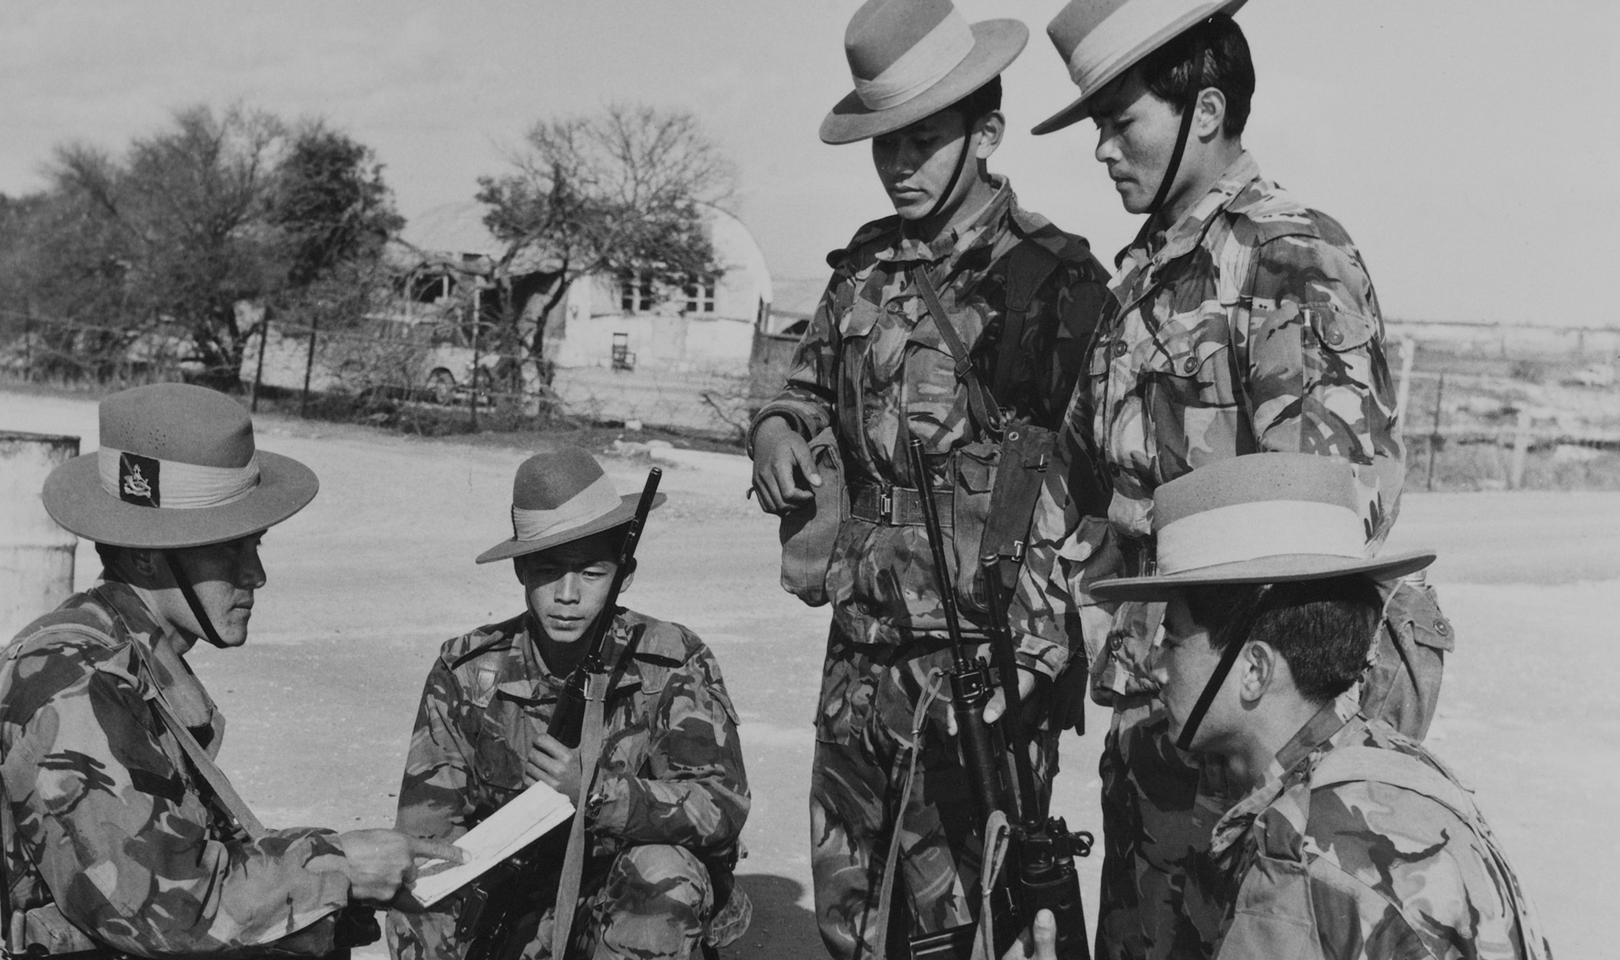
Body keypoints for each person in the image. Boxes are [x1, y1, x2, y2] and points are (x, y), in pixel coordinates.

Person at [1024, 3, 1454, 955]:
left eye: (1119, 122)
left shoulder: (1289, 259)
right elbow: (1085, 477)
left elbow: (1334, 521)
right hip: (1158, 724)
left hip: (1251, 740)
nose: (1101, 149)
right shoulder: (1144, 275)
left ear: (1205, 111)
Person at [748, 1, 1114, 954]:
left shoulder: (1050, 282)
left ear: (985, 133)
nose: (900, 165)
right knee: (849, 920)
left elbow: (1093, 480)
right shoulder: (863, 268)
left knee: (961, 930)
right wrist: (778, 431)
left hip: (975, 672)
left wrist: (1037, 656)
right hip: (859, 654)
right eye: (885, 146)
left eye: (925, 139)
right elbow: (803, 387)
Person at [0, 383, 459, 958]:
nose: (255, 574)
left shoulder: (124, 658)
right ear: (146, 554)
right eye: (227, 550)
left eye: (255, 545)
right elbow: (171, 911)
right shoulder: (75, 687)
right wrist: (338, 865)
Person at [1088, 453, 1550, 959]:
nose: (1154, 669)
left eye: (1172, 642)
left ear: (1255, 671)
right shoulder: (1397, 764)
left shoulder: (1294, 861)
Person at [385, 448, 750, 960]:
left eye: (593, 573)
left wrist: (594, 792)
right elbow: (430, 833)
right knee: (417, 896)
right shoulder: (468, 671)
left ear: (624, 575)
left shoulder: (672, 662)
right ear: (521, 571)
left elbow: (721, 807)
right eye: (549, 570)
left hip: (618, 897)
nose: (567, 594)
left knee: (665, 870)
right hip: (515, 897)